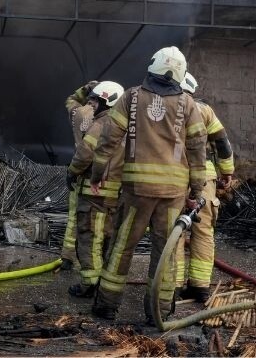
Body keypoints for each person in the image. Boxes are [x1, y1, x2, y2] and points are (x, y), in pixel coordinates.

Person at [87, 46, 208, 323]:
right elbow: (198, 148)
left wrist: (97, 173)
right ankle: (159, 311)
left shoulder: (131, 97)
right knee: (166, 252)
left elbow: (108, 139)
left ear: (152, 66)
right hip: (172, 194)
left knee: (122, 246)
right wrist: (197, 190)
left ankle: (106, 305)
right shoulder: (188, 104)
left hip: (136, 191)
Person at [174, 73, 235, 303]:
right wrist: (227, 171)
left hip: (175, 174)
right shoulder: (205, 110)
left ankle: (173, 287)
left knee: (175, 230)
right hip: (206, 177)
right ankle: (200, 287)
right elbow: (222, 143)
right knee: (203, 231)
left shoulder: (167, 107)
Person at [65, 81, 125, 298]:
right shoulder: (127, 126)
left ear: (104, 103)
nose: (92, 106)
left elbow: (85, 154)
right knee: (107, 238)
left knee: (89, 237)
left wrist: (72, 172)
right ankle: (102, 282)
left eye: (95, 102)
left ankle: (90, 284)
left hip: (94, 192)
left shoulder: (101, 124)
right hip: (115, 195)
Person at [59, 81, 98, 270]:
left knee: (74, 216)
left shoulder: (78, 113)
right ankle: (92, 261)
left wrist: (85, 88)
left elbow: (71, 100)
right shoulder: (106, 118)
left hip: (77, 172)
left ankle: (68, 257)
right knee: (95, 221)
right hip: (97, 175)